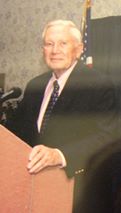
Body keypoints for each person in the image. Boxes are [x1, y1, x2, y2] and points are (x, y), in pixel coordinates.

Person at [5, 19, 115, 212]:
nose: (55, 50)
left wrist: (60, 155)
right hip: (33, 191)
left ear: (79, 50)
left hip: (77, 191)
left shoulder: (98, 84)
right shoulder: (34, 86)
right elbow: (15, 133)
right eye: (49, 44)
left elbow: (107, 138)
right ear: (43, 50)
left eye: (63, 43)